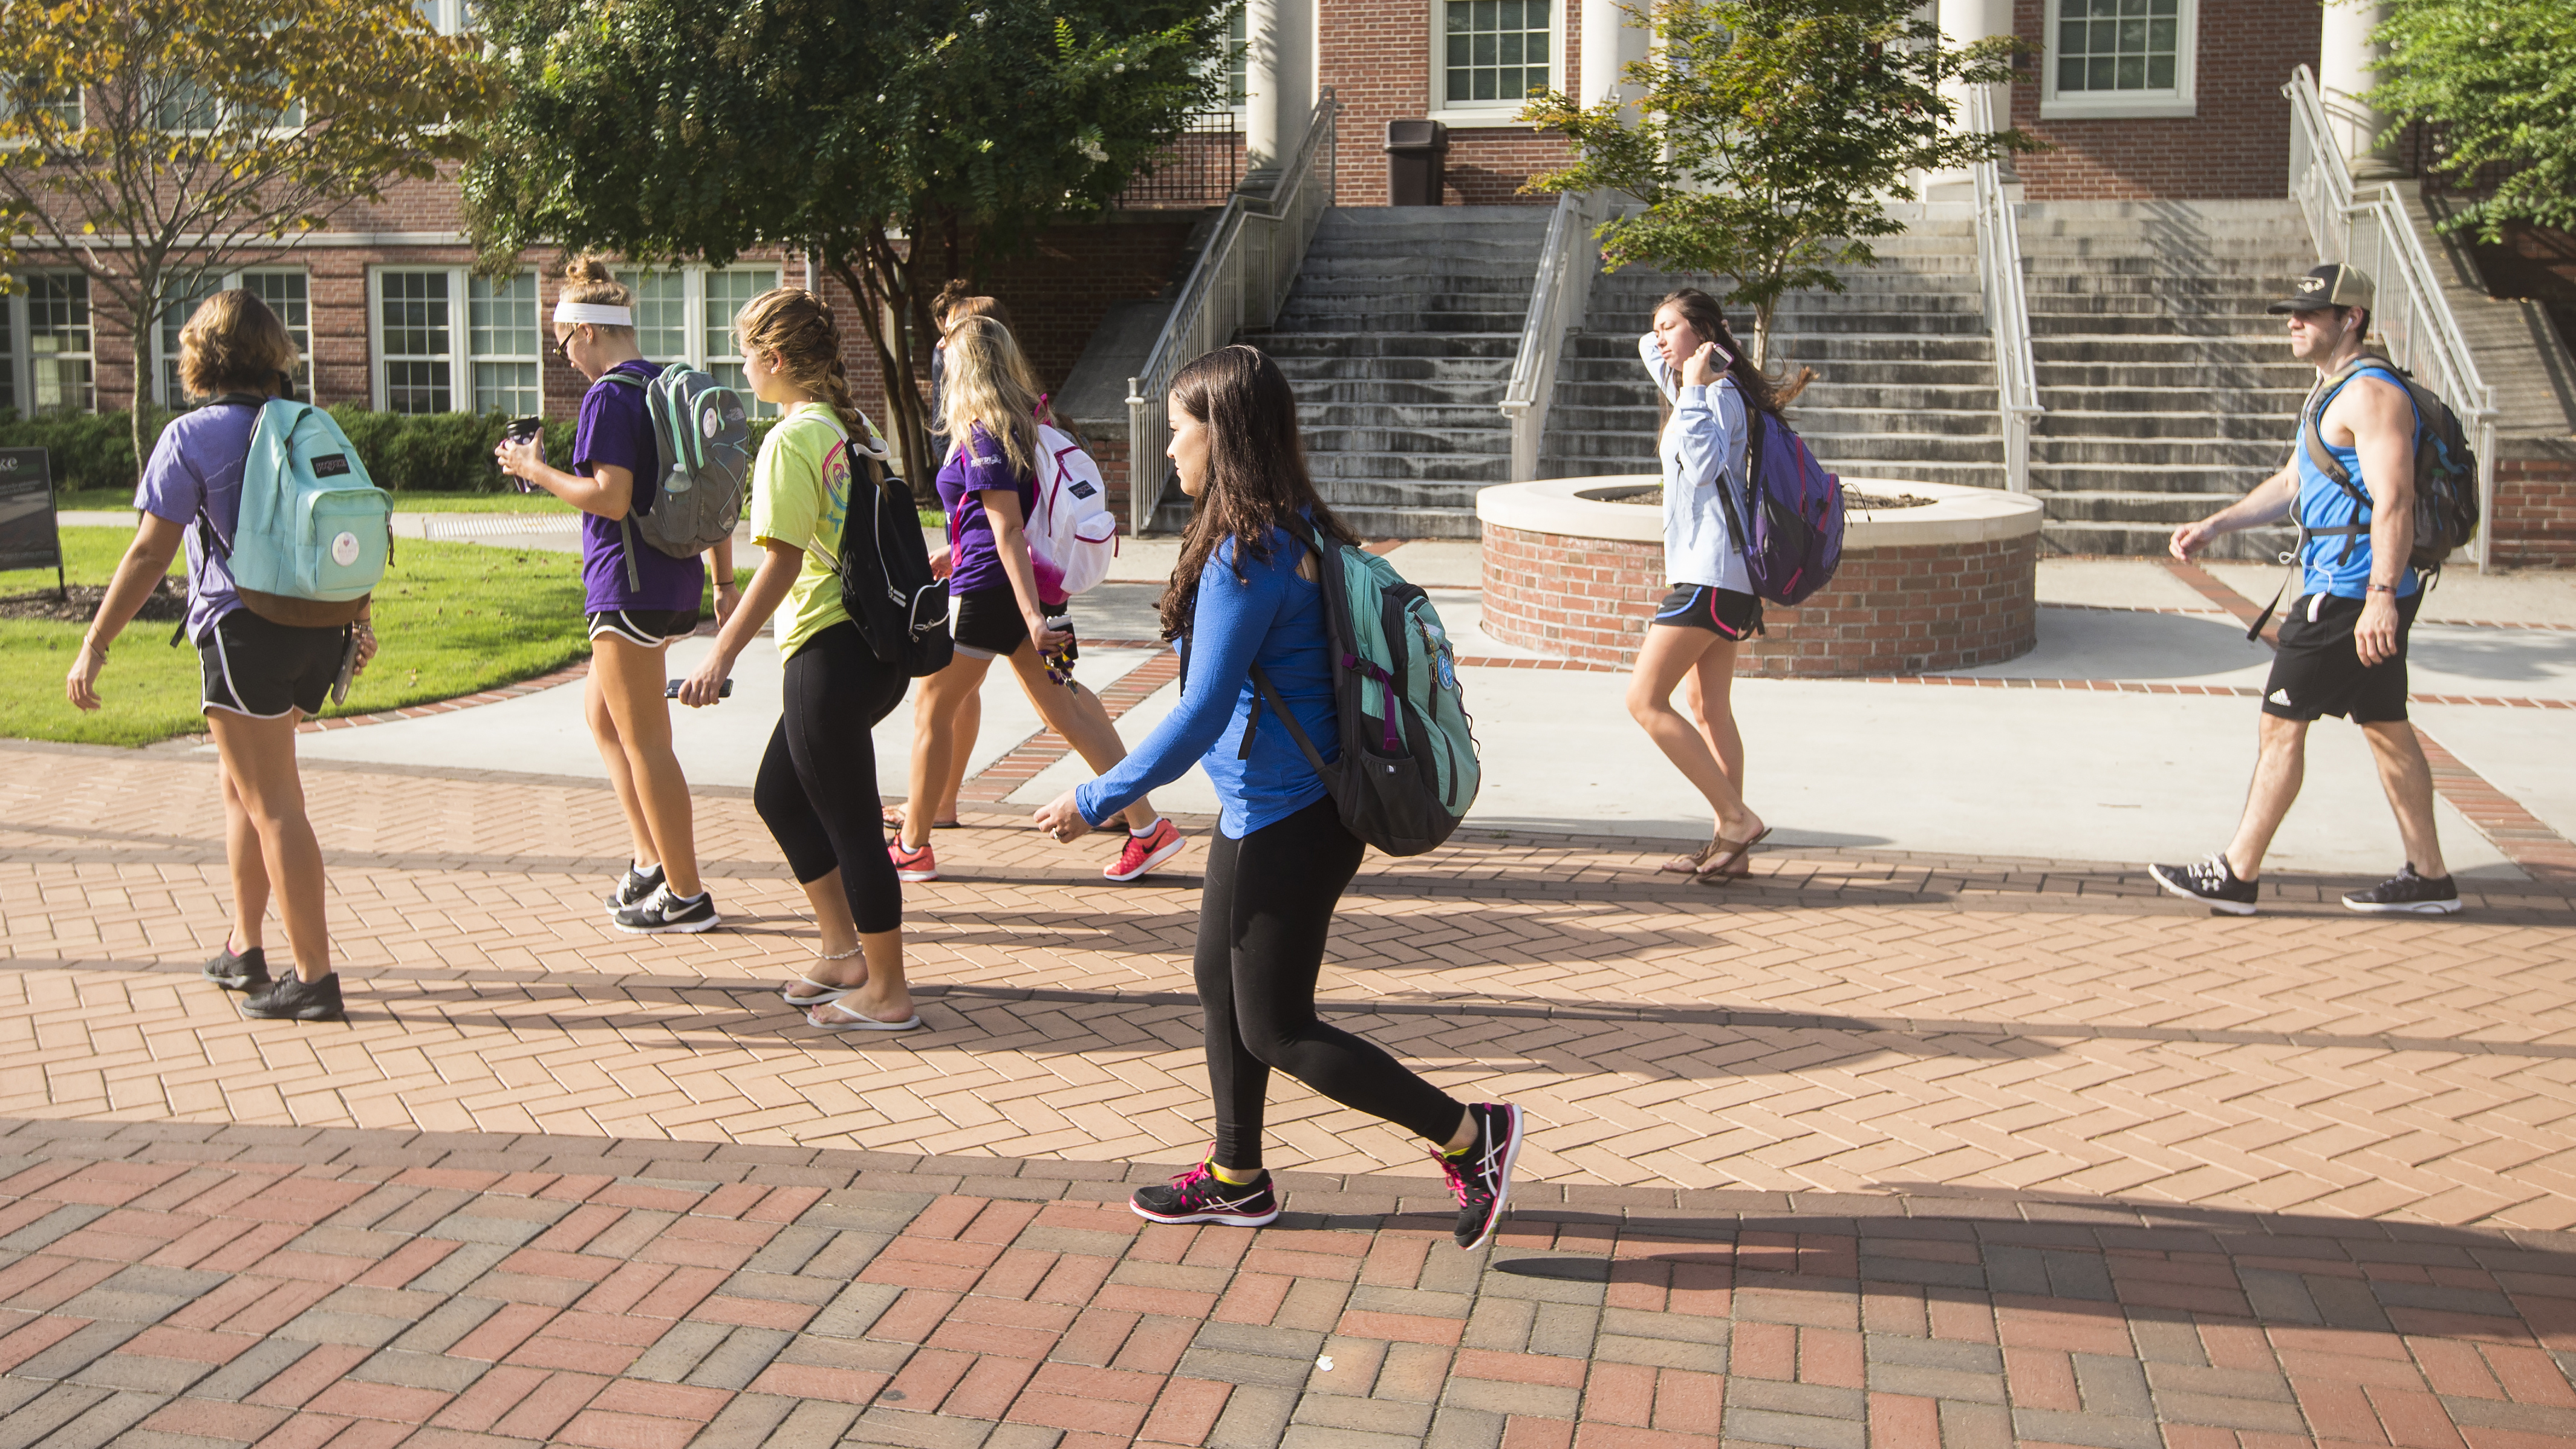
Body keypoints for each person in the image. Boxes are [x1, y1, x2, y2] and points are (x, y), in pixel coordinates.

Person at [1032, 344, 1523, 1251]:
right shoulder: (1291, 524)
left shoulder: (1245, 554)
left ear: (1221, 435)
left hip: (1291, 818)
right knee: (1219, 987)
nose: (1168, 446)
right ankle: (1237, 1176)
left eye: (1178, 428)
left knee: (1277, 1027)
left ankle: (1470, 1134)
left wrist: (1099, 797)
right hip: (1274, 810)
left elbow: (1202, 709)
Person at [67, 290, 369, 1021]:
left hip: (243, 632)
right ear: (272, 354)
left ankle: (314, 978)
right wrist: (359, 620)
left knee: (274, 805)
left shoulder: (190, 436)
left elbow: (149, 551)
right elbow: (348, 527)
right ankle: (244, 948)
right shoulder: (309, 423)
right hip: (312, 626)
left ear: (201, 355)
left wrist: (95, 642)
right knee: (245, 789)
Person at [2154, 262, 2459, 916]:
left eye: (2310, 312)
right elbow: (2293, 483)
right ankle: (2430, 876)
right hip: (2349, 584)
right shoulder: (2329, 390)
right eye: (2292, 311)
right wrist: (2217, 524)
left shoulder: (2371, 394)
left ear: (2352, 319)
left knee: (2280, 724)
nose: (2294, 322)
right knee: (2386, 726)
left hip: (2349, 591)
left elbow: (2396, 501)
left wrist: (2380, 594)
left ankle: (2237, 871)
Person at [676, 288, 920, 1029]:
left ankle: (888, 990)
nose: (740, 366)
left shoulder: (790, 439)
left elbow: (778, 564)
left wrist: (718, 655)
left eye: (745, 353)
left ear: (774, 360)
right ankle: (844, 951)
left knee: (851, 826)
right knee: (780, 795)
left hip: (828, 652)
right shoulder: (854, 426)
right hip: (876, 651)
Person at [895, 315, 1183, 884]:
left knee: (933, 707)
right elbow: (1005, 519)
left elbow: (1006, 530)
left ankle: (912, 846)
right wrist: (965, 559)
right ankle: (1148, 828)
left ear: (966, 366)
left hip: (997, 594)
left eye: (946, 357)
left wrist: (1029, 616)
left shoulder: (984, 432)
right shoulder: (1025, 422)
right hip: (1025, 587)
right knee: (1068, 707)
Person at [495, 255, 735, 935]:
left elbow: (610, 496)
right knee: (602, 715)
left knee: (647, 743)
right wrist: (721, 581)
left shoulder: (608, 395)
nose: (566, 358)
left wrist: (532, 468)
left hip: (625, 585)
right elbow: (714, 493)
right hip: (674, 581)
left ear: (588, 331)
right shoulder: (670, 384)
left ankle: (686, 893)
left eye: (564, 343)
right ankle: (649, 859)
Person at [1627, 288, 1804, 884]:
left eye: (1669, 327)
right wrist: (1687, 355)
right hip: (1722, 575)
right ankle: (1731, 846)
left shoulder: (1716, 397)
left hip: (1707, 575)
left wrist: (1701, 383)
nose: (1657, 339)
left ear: (1705, 332)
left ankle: (1736, 817)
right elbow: (1649, 352)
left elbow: (1702, 468)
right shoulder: (1691, 384)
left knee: (1645, 701)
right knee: (1708, 706)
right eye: (1656, 327)